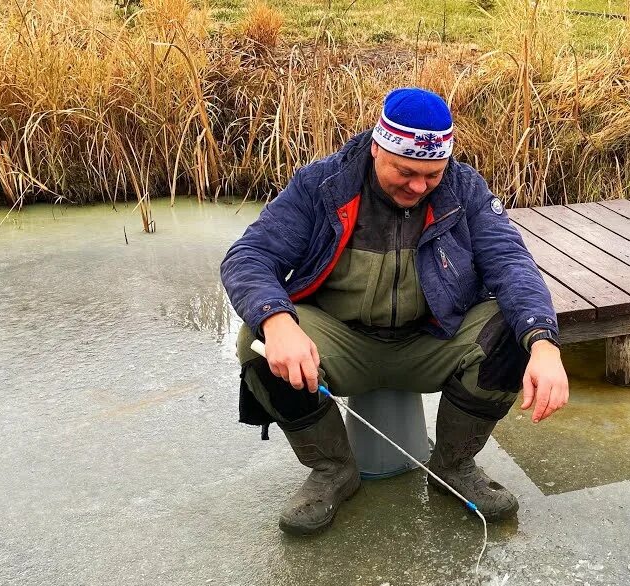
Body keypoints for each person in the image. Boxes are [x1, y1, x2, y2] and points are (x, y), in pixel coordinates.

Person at [221, 87, 569, 536]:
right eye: (405, 172)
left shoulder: (466, 189)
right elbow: (247, 257)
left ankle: (454, 464)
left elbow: (511, 264)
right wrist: (277, 320)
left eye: (432, 175)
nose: (419, 186)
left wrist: (544, 343)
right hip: (341, 341)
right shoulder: (321, 185)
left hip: (432, 339)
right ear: (376, 148)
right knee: (256, 340)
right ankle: (332, 469)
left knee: (514, 332)